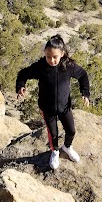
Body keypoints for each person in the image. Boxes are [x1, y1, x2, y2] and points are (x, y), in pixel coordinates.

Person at [16, 35, 90, 170]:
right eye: (48, 56)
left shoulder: (68, 66)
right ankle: (55, 151)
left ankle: (67, 147)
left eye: (55, 56)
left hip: (64, 107)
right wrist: (21, 86)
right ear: (45, 53)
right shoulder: (41, 67)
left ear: (62, 54)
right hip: (47, 107)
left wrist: (85, 93)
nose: (51, 60)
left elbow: (83, 75)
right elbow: (23, 74)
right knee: (53, 134)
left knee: (71, 131)